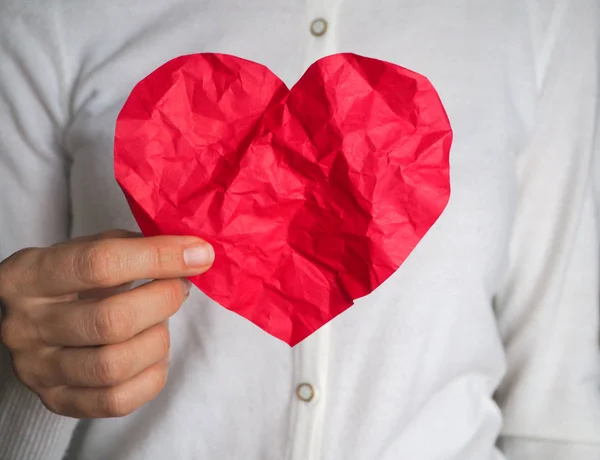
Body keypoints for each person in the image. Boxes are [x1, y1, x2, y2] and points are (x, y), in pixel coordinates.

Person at [0, 1, 598, 459]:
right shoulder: (52, 15)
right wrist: (26, 376)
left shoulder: (537, 17)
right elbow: (22, 339)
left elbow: (558, 412)